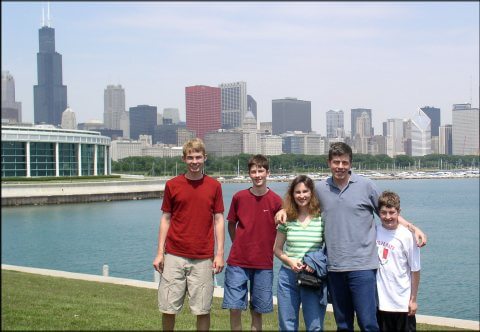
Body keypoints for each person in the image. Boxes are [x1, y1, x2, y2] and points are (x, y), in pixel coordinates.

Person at [275, 142, 427, 331]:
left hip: (363, 268)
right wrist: (283, 210)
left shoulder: (366, 186)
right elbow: (301, 200)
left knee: (368, 323)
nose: (340, 167)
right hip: (334, 268)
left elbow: (387, 213)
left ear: (350, 164)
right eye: (336, 162)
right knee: (343, 324)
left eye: (344, 163)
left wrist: (413, 228)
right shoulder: (321, 189)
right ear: (329, 163)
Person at [152, 138, 225, 331]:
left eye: (198, 157)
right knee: (168, 307)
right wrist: (160, 253)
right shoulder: (172, 185)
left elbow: (218, 220)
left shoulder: (214, 186)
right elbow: (166, 218)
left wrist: (219, 254)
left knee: (202, 309)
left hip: (203, 258)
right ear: (184, 159)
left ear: (205, 158)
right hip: (174, 255)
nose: (194, 161)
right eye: (190, 157)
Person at [222, 154, 283, 331]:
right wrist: (238, 244)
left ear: (268, 173)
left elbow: (284, 226)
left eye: (261, 171)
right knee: (235, 307)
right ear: (249, 174)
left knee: (258, 309)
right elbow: (231, 224)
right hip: (237, 262)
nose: (257, 175)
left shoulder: (276, 201)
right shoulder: (239, 197)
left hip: (264, 263)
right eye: (254, 172)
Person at [274, 175, 328, 331]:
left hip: (312, 277)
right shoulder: (287, 218)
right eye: (298, 192)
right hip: (288, 277)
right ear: (292, 194)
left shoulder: (321, 218)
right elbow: (277, 249)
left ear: (311, 193)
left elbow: (328, 248)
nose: (302, 195)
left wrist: (313, 263)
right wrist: (290, 261)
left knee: (315, 325)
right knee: (287, 324)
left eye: (305, 191)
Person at [376, 191, 420, 332]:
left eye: (392, 212)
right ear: (378, 213)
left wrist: (413, 300)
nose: (388, 217)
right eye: (383, 213)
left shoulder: (407, 236)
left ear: (399, 212)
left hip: (402, 303)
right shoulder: (374, 232)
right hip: (381, 303)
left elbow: (415, 270)